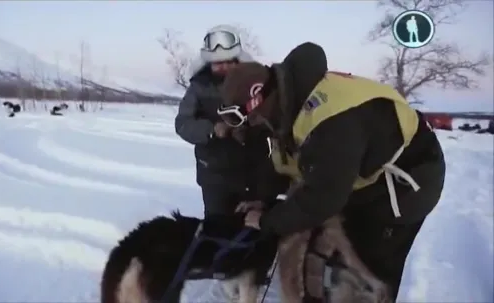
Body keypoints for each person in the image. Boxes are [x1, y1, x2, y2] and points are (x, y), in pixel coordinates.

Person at [217, 42, 446, 301]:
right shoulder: (286, 104)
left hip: (404, 185)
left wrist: (265, 220)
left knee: (366, 272)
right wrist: (263, 197)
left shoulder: (331, 123)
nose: (252, 124)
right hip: (352, 176)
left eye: (247, 117)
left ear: (259, 98)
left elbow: (321, 199)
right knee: (320, 245)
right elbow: (285, 161)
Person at [174, 24, 287, 219]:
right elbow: (183, 124)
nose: (224, 67)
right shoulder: (199, 86)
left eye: (229, 61)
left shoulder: (255, 82)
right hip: (215, 175)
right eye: (217, 63)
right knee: (217, 228)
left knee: (254, 227)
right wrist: (213, 129)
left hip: (254, 170)